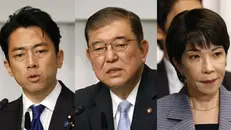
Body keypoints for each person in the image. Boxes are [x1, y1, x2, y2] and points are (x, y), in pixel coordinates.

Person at [75, 7, 156, 130]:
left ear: (143, 50)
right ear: (89, 57)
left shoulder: (166, 94)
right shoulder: (79, 105)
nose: (110, 57)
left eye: (120, 45)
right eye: (99, 48)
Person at [0, 6, 74, 130]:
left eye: (40, 51)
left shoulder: (83, 111)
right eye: (19, 55)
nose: (31, 63)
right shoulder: (2, 117)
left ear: (59, 58)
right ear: (9, 67)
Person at [158, 8, 231, 130]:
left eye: (217, 54)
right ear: (178, 64)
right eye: (195, 57)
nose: (208, 68)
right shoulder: (157, 113)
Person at [157, 0, 231, 99]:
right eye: (184, 20)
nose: (197, 30)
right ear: (159, 30)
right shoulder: (147, 85)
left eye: (200, 18)